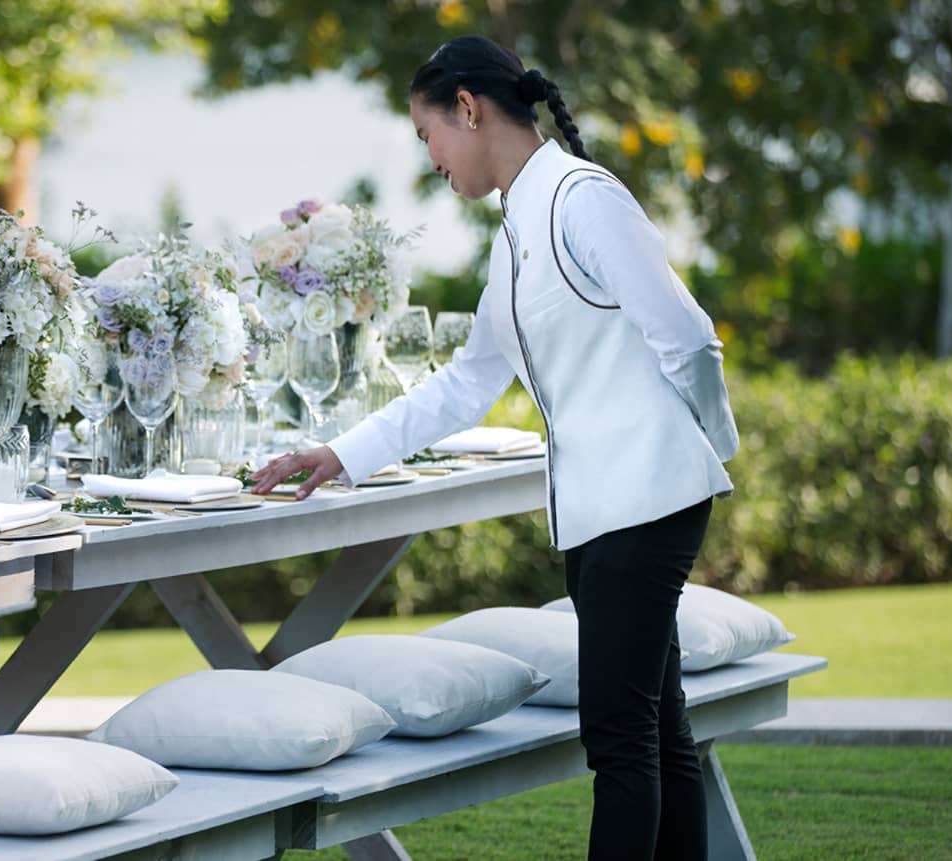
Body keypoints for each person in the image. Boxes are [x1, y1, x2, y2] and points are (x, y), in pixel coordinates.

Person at [249, 34, 739, 861]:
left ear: (468, 110)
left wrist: (707, 447)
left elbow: (688, 339)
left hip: (645, 505)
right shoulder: (518, 225)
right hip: (601, 516)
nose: (431, 158)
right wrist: (341, 452)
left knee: (620, 741)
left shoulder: (582, 199)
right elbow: (467, 382)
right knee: (657, 726)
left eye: (427, 135)